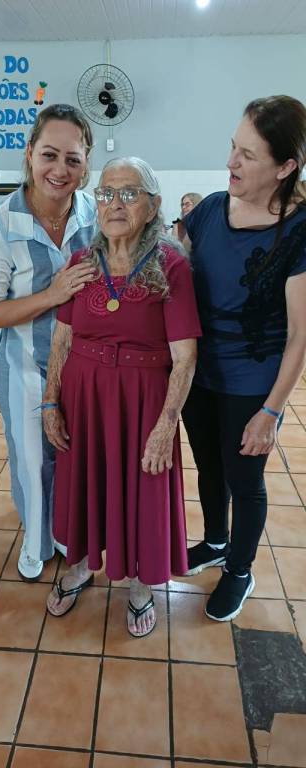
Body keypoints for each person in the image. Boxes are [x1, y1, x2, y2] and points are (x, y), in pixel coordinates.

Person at [42, 157, 201, 637]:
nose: (115, 203)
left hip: (143, 403)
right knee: (85, 483)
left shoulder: (170, 265)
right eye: (106, 193)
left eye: (129, 194)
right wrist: (50, 402)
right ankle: (80, 566)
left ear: (152, 206)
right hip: (83, 399)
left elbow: (185, 357)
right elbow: (61, 339)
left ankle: (139, 583)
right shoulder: (81, 262)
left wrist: (166, 425)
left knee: (142, 491)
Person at [181, 95, 306, 622]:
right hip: (199, 372)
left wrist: (271, 411)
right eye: (233, 147)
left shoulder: (299, 229)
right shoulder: (210, 209)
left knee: (244, 480)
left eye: (248, 155)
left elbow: (300, 335)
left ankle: (240, 569)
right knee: (208, 466)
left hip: (252, 380)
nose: (230, 161)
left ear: (285, 167)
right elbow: (173, 274)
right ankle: (215, 541)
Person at [0, 104, 97, 581]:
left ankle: (68, 534)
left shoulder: (95, 215)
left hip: (85, 365)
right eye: (49, 155)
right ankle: (37, 540)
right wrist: (52, 295)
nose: (59, 170)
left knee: (75, 455)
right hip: (25, 364)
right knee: (32, 459)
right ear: (29, 153)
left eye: (72, 159)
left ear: (86, 163)